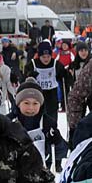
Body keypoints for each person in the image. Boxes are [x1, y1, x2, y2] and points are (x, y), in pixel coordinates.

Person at [24, 40, 68, 171]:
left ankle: (58, 161)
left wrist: (65, 76)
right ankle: (41, 160)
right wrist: (29, 76)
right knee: (39, 131)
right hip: (37, 101)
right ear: (39, 56)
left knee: (53, 131)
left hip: (51, 101)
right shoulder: (33, 64)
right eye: (43, 57)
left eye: (48, 56)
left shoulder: (55, 64)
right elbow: (25, 77)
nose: (46, 59)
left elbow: (64, 77)